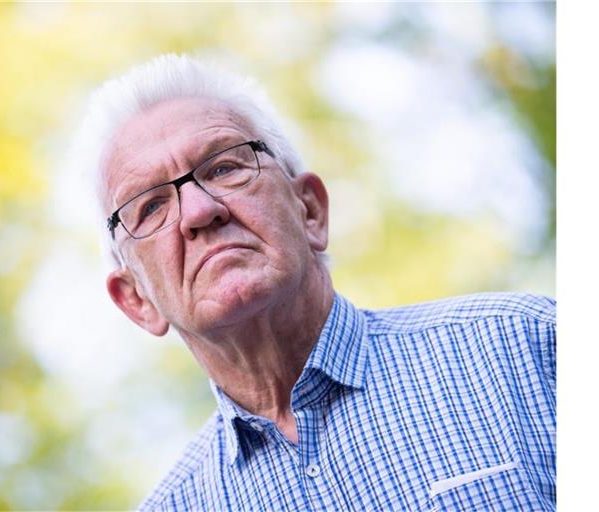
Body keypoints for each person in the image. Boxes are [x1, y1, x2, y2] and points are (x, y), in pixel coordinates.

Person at [79, 54, 556, 511]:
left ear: (310, 210)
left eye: (224, 167)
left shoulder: (528, 349)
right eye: (151, 206)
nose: (200, 211)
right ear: (137, 300)